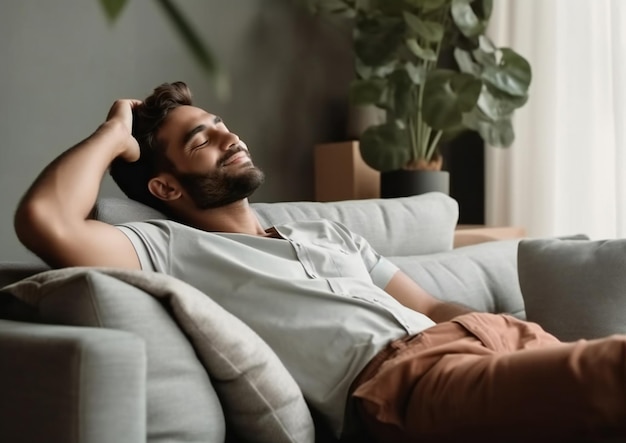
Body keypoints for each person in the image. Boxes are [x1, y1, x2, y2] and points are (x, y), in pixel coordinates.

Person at [14, 81, 626, 443]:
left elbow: (431, 305)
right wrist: (115, 132)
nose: (230, 137)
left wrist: (506, 334)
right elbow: (47, 221)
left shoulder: (326, 232)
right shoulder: (167, 248)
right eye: (202, 140)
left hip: (481, 338)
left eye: (221, 124)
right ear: (168, 189)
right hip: (410, 383)